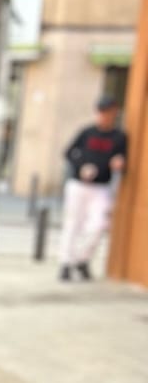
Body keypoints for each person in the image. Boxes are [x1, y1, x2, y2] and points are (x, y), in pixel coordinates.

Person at [59, 96, 128, 280]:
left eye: (108, 112)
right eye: (101, 112)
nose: (104, 116)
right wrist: (81, 167)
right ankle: (66, 263)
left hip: (101, 187)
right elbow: (69, 152)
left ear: (114, 113)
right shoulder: (87, 132)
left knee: (99, 225)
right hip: (78, 185)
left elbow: (123, 159)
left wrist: (119, 163)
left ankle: (81, 260)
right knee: (73, 223)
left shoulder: (119, 137)